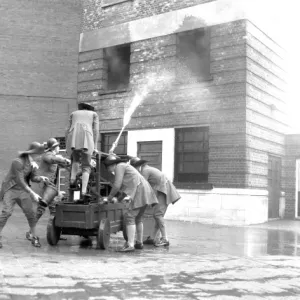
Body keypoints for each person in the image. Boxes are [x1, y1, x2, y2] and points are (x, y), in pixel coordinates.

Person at [103, 154, 158, 252]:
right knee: (138, 218)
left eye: (108, 168)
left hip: (139, 190)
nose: (110, 171)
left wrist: (109, 198)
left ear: (111, 165)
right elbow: (126, 188)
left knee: (130, 217)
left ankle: (130, 244)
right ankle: (139, 242)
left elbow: (117, 185)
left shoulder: (120, 166)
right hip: (145, 190)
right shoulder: (125, 167)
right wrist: (118, 199)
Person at [0, 142, 49, 248]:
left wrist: (41, 178)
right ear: (33, 153)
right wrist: (33, 193)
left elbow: (33, 178)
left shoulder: (33, 164)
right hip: (11, 188)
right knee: (6, 212)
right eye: (38, 154)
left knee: (31, 214)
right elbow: (20, 180)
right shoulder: (17, 162)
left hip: (23, 191)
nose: (40, 156)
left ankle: (33, 236)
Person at [26, 138, 71, 240]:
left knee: (54, 210)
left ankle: (55, 233)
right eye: (58, 146)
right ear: (54, 148)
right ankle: (30, 233)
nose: (59, 148)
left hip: (50, 187)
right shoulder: (48, 155)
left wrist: (70, 163)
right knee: (41, 210)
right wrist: (63, 159)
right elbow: (52, 159)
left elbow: (63, 164)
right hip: (45, 186)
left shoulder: (54, 156)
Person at [130, 157, 181, 247]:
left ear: (138, 166)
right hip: (162, 190)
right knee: (157, 215)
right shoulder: (147, 169)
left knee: (158, 215)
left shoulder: (145, 171)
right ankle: (152, 238)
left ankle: (165, 239)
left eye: (134, 168)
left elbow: (141, 186)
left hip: (164, 190)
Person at [66, 102, 99, 200]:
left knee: (75, 159)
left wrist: (68, 144)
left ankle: (72, 180)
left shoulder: (73, 114)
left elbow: (67, 129)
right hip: (87, 136)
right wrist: (95, 146)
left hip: (73, 137)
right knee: (86, 166)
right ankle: (84, 191)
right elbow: (96, 131)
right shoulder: (94, 114)